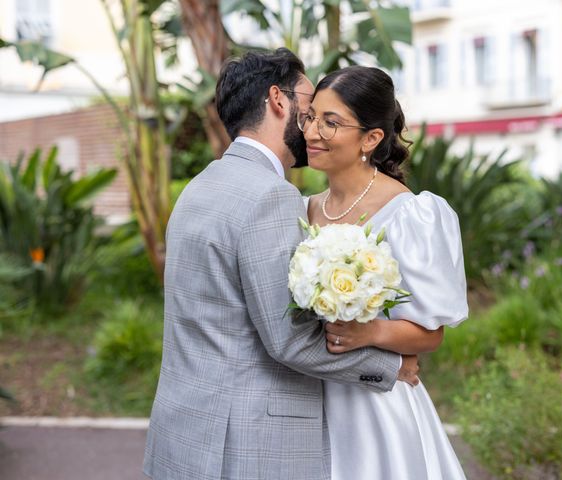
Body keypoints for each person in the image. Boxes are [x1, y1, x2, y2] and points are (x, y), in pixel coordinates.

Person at [142, 49, 420, 480]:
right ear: (278, 100)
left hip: (183, 437)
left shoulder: (197, 190)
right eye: (309, 106)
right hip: (246, 447)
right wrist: (392, 366)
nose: (313, 123)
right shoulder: (269, 196)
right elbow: (289, 341)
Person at [301, 65, 469, 479]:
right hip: (303, 400)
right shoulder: (299, 208)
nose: (311, 132)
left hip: (374, 408)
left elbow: (431, 333)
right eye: (310, 116)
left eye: (331, 122)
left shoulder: (413, 214)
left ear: (372, 138)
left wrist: (370, 332)